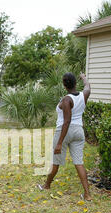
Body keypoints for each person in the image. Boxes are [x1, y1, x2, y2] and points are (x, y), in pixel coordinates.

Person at [38, 72, 92, 201]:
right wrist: (84, 77)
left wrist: (59, 143)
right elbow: (88, 86)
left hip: (64, 131)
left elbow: (67, 121)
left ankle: (46, 185)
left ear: (64, 85)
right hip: (79, 131)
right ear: (75, 83)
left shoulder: (67, 100)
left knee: (56, 162)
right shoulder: (84, 95)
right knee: (79, 162)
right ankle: (87, 194)